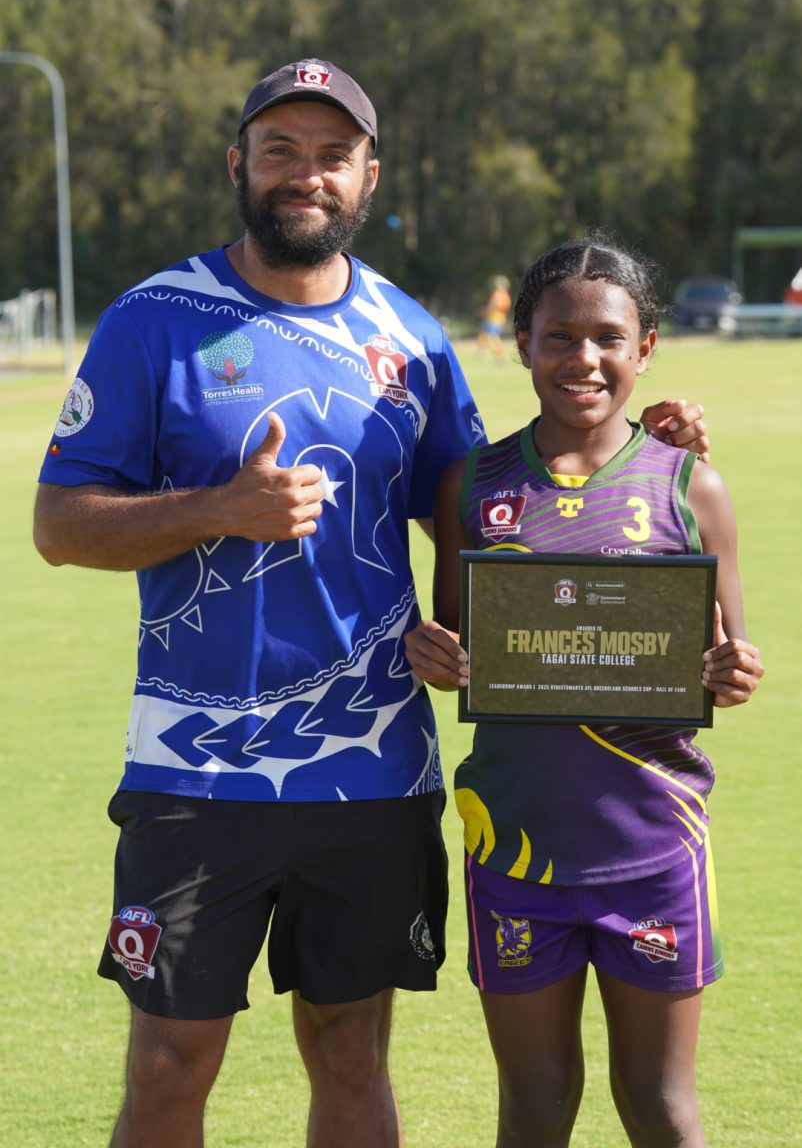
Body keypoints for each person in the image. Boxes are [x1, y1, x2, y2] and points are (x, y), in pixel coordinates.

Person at [33, 56, 711, 1148]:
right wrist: (219, 506)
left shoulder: (411, 339)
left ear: (368, 174)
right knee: (168, 1066)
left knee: (351, 1052)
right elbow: (60, 526)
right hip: (193, 770)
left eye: (332, 156)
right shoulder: (154, 320)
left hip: (373, 769)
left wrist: (636, 451)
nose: (307, 175)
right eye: (281, 151)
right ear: (239, 163)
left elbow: (494, 510)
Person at [404, 233, 763, 1148]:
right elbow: (461, 639)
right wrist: (435, 653)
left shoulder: (692, 488)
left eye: (610, 337)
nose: (584, 358)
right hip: (516, 848)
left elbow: (724, 657)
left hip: (652, 845)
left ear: (646, 347)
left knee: (659, 1106)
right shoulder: (471, 484)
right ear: (521, 340)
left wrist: (732, 675)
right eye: (559, 336)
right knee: (532, 1104)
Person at [477, 274, 512, 360]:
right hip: (498, 317)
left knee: (493, 336)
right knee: (484, 333)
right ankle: (482, 352)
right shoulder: (506, 295)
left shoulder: (498, 295)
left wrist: (485, 311)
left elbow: (494, 305)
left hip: (495, 317)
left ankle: (500, 355)